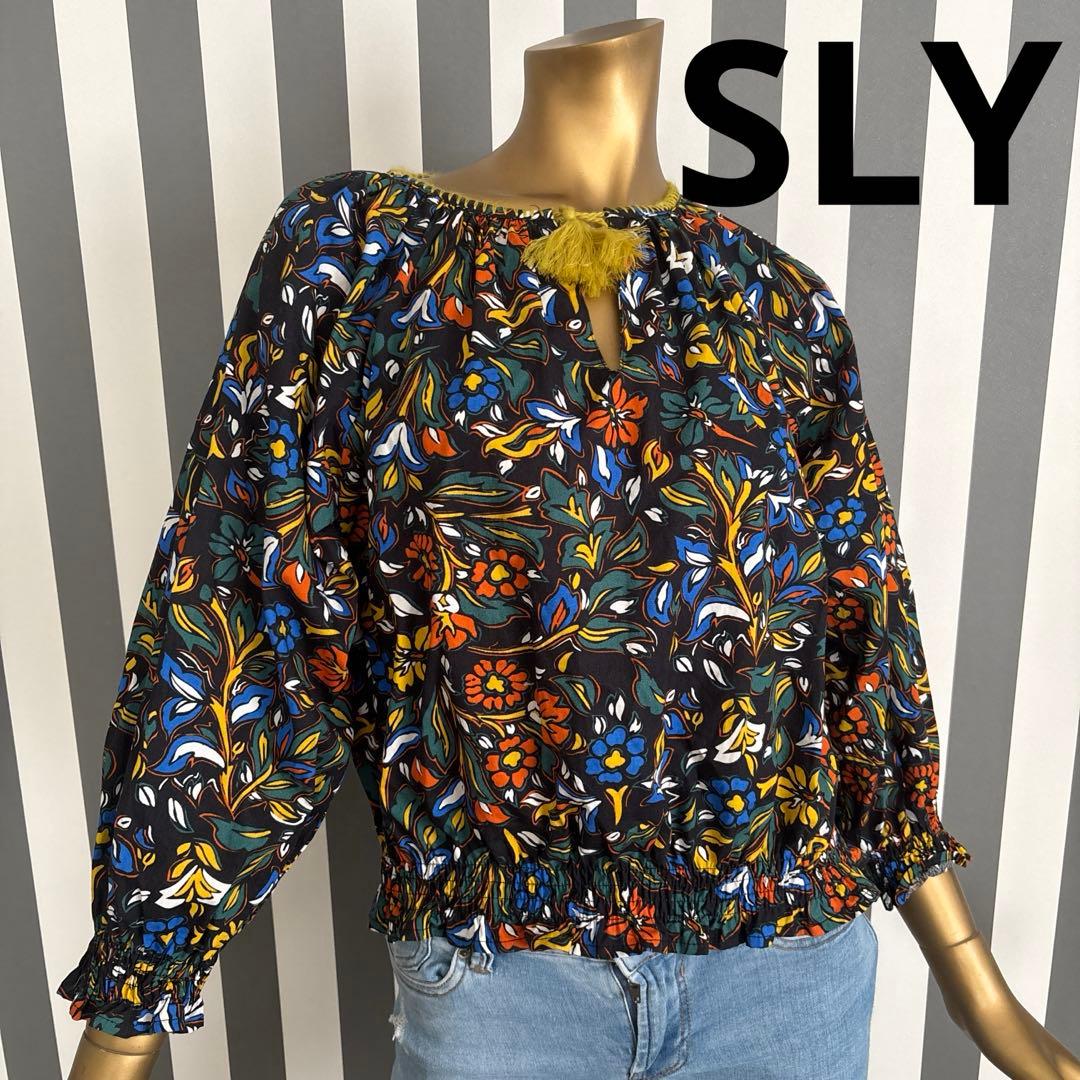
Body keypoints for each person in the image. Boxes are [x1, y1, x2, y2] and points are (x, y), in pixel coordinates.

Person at [59, 17, 1079, 1080]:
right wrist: (128, 1008)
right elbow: (241, 620)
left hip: (789, 980)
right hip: (502, 991)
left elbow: (863, 652)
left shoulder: (777, 305)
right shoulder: (356, 258)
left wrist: (974, 981)